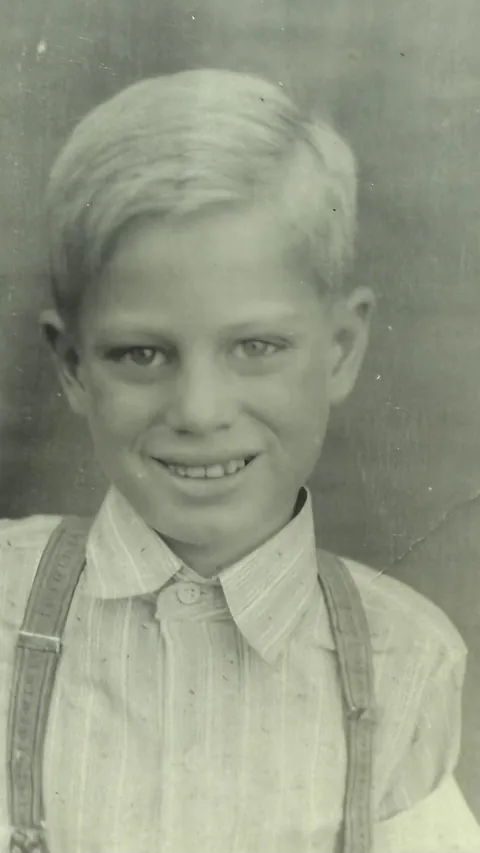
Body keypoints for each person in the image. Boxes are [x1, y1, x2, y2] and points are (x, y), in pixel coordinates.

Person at [0, 68, 479, 853]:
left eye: (256, 346)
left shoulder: (406, 665)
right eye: (142, 353)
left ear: (343, 348)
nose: (199, 409)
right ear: (72, 364)